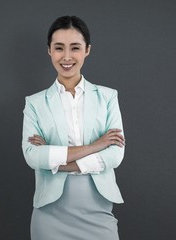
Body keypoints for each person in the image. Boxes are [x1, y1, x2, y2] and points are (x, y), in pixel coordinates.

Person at [22, 15, 125, 240]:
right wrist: (96, 145)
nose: (66, 57)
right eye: (59, 48)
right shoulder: (34, 103)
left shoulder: (108, 97)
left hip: (98, 211)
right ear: (49, 50)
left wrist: (54, 161)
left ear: (87, 50)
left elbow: (115, 155)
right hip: (50, 215)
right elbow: (32, 156)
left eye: (75, 48)